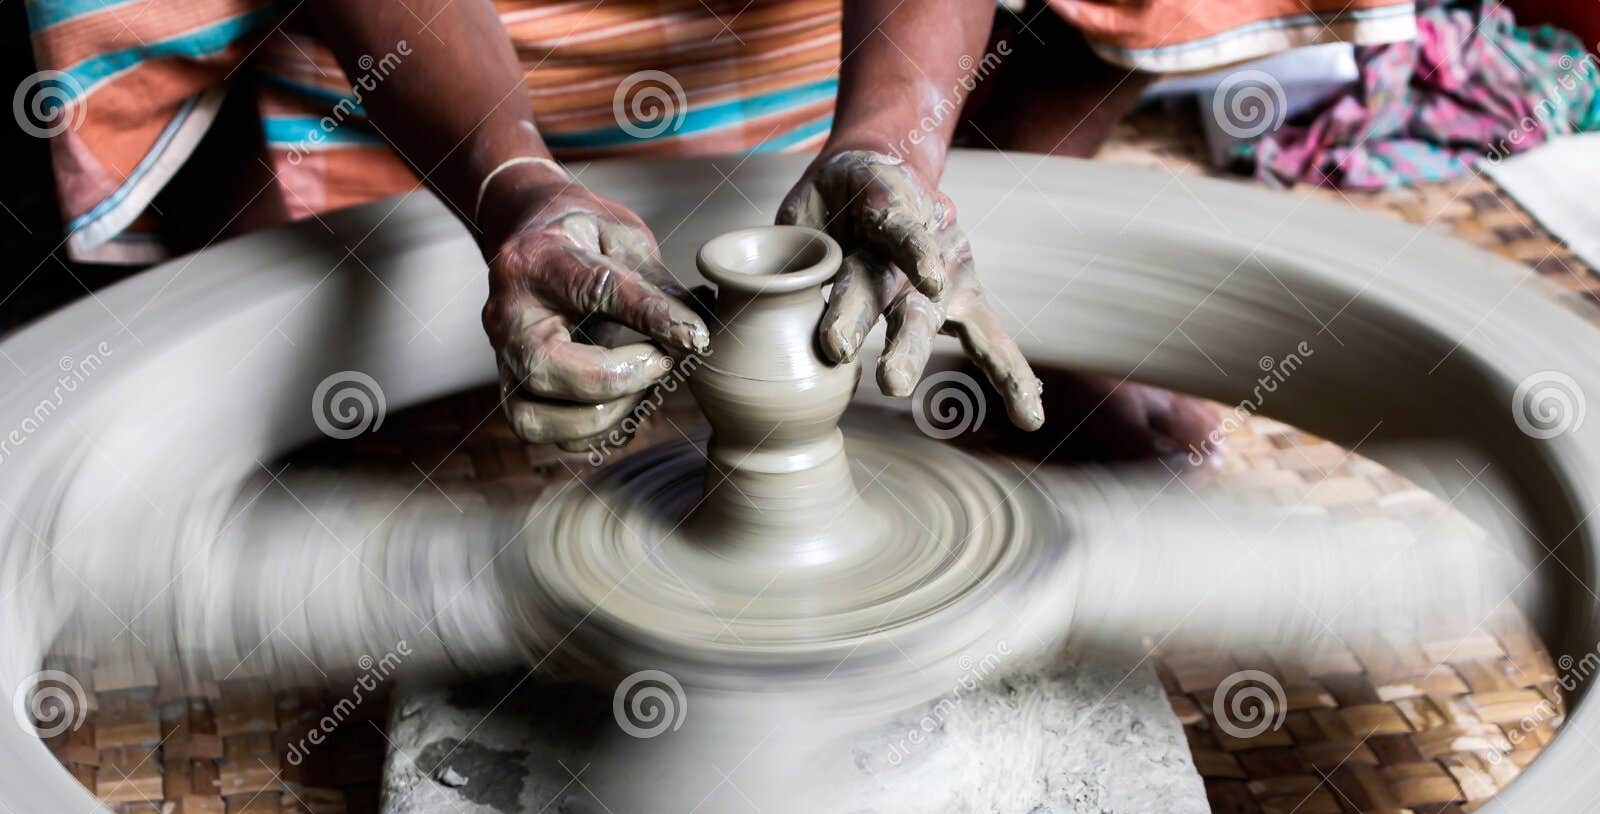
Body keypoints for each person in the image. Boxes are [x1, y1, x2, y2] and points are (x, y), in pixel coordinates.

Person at [25, 0, 1418, 457]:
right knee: (318, 441)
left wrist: (896, 136)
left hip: (821, 37)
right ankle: (388, 254)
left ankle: (971, 213)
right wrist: (511, 187)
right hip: (441, 67)